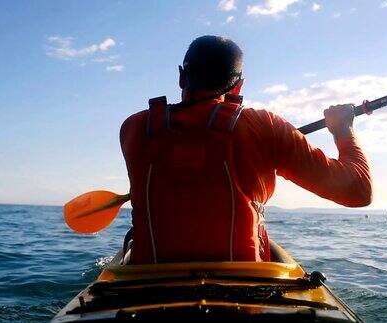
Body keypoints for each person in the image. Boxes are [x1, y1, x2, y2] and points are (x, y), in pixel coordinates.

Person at [120, 35, 372, 264]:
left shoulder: (135, 127)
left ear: (181, 77)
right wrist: (342, 130)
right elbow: (359, 192)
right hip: (243, 286)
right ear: (239, 86)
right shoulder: (265, 127)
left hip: (149, 284)